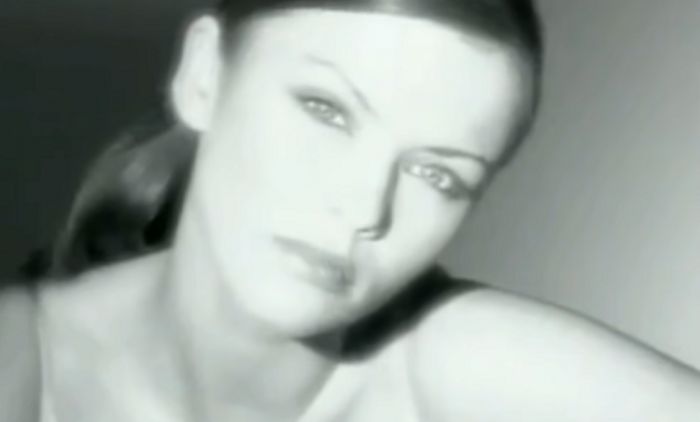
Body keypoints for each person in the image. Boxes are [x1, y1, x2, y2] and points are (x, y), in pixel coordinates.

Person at [2, 0, 699, 421]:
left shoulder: (446, 359)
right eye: (326, 110)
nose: (366, 206)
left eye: (436, 175)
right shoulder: (22, 367)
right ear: (204, 76)